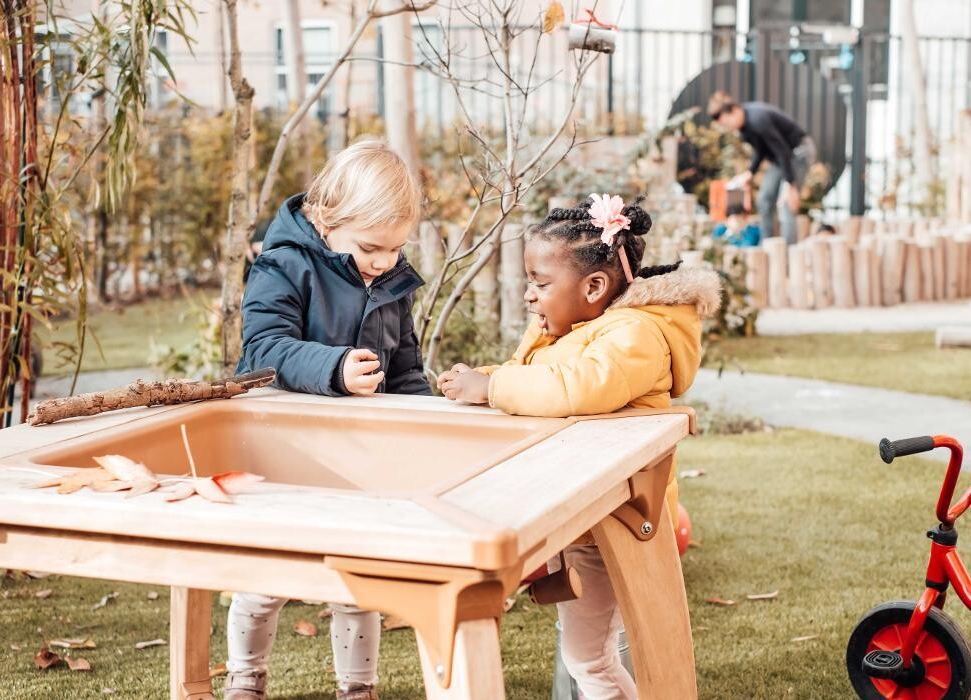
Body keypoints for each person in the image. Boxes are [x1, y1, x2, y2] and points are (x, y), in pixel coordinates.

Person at [437, 194, 721, 700]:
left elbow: (577, 388)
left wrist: (494, 388)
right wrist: (481, 380)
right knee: (585, 654)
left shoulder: (635, 335)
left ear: (594, 287)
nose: (529, 296)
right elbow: (537, 380)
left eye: (541, 284)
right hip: (582, 518)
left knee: (590, 657)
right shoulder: (578, 329)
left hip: (619, 520)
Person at [227, 139, 430, 700]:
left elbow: (405, 365)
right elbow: (262, 351)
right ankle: (246, 681)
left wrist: (429, 419)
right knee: (267, 576)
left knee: (357, 579)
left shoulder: (391, 280)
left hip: (360, 456)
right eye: (371, 247)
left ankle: (358, 688)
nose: (385, 262)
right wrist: (334, 367)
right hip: (287, 448)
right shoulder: (284, 263)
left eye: (395, 249)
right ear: (325, 219)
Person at [709, 91, 816, 245]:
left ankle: (786, 254)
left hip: (799, 152)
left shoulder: (757, 119)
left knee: (785, 204)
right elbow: (762, 150)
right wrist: (750, 172)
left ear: (734, 111)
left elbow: (782, 150)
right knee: (764, 200)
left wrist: (790, 184)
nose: (727, 128)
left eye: (726, 123)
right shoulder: (745, 128)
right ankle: (768, 247)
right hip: (781, 159)